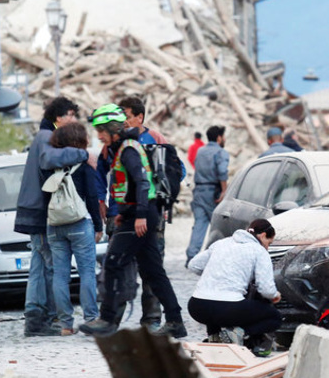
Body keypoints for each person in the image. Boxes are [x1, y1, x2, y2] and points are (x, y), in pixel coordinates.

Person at [81, 105, 183, 337]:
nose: (98, 136)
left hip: (140, 217)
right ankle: (175, 321)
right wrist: (124, 212)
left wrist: (137, 216)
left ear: (113, 129)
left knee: (114, 263)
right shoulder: (124, 148)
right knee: (153, 272)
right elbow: (129, 186)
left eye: (101, 130)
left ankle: (107, 319)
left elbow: (142, 183)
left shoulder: (128, 150)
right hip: (136, 215)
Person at [15, 96, 88, 337]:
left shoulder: (44, 135)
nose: (73, 119)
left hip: (34, 209)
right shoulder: (46, 137)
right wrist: (82, 155)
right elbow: (49, 159)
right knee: (47, 267)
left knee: (39, 264)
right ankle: (41, 318)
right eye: (71, 115)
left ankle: (36, 318)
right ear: (58, 117)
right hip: (39, 211)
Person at [117, 96, 185, 331]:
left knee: (152, 268)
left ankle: (152, 317)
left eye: (126, 116)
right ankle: (112, 319)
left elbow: (178, 169)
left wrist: (161, 194)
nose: (123, 121)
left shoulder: (155, 139)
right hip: (125, 215)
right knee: (120, 267)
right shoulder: (118, 140)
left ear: (139, 117)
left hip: (151, 215)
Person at [187, 218, 282, 356]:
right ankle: (239, 333)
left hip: (197, 307)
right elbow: (265, 289)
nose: (267, 247)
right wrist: (275, 295)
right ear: (262, 236)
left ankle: (215, 336)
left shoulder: (221, 243)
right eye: (269, 242)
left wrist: (214, 272)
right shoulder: (259, 251)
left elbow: (193, 265)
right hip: (228, 308)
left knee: (215, 305)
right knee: (274, 317)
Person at [46, 123, 103, 336]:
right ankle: (90, 318)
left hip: (54, 224)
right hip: (80, 223)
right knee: (87, 271)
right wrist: (98, 225)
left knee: (60, 275)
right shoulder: (85, 166)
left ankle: (66, 325)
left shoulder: (50, 165)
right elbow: (92, 197)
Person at [186, 125, 229, 263]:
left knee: (199, 223)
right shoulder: (221, 152)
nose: (224, 139)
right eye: (223, 136)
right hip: (213, 192)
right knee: (218, 225)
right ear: (219, 138)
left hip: (199, 191)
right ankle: (215, 257)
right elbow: (222, 172)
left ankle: (191, 256)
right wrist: (224, 191)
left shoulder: (200, 151)